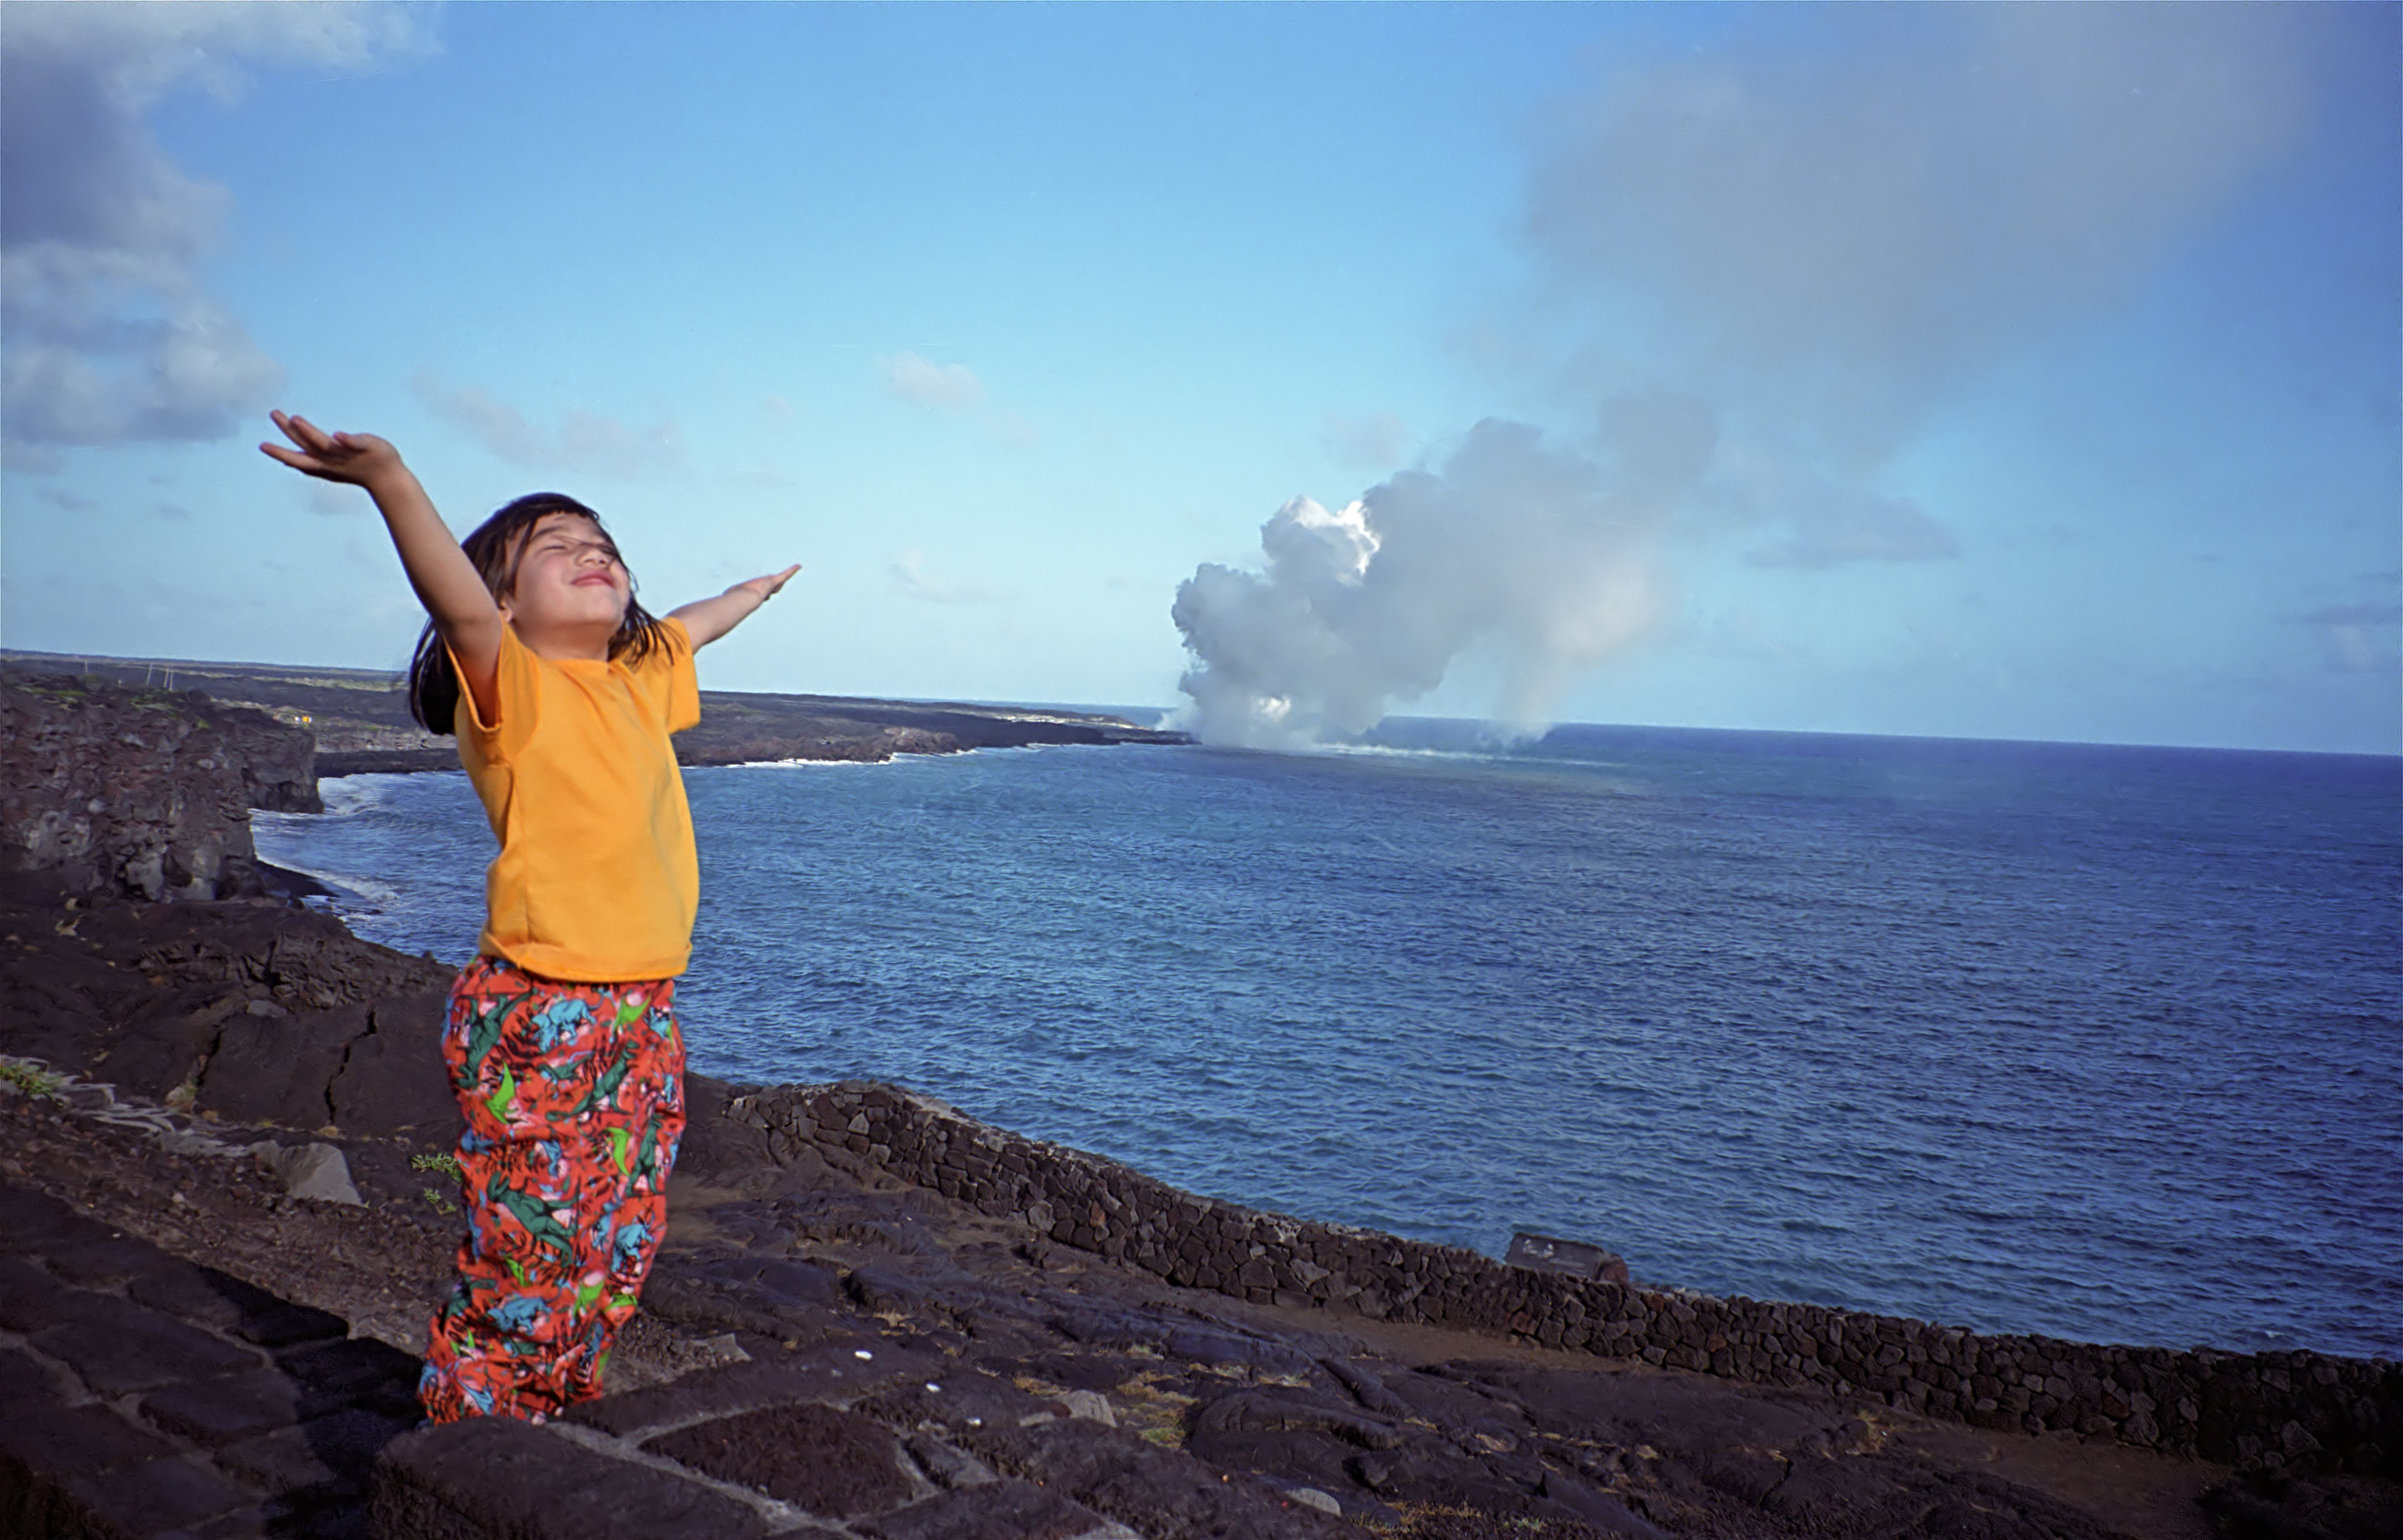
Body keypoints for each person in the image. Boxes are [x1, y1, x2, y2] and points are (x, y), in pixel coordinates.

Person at [260, 410, 797, 1423]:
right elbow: (454, 602)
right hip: (543, 1010)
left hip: (642, 1011)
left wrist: (752, 593)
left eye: (605, 548)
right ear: (507, 598)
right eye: (558, 551)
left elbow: (695, 622)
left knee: (614, 1241)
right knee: (530, 1239)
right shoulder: (515, 685)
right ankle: (469, 1436)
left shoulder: (638, 679)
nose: (593, 556)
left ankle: (547, 1408)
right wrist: (391, 481)